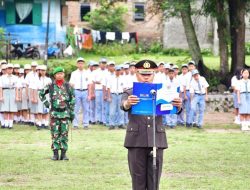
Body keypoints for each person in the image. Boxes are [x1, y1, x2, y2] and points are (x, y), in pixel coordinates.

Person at [120, 60, 182, 190]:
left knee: (154, 182)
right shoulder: (130, 92)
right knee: (138, 181)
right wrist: (128, 103)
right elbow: (123, 105)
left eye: (149, 74)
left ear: (154, 74)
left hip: (156, 139)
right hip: (136, 140)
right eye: (143, 74)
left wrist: (178, 106)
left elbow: (175, 109)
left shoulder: (163, 91)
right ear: (136, 73)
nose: (146, 77)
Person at [39, 67, 75, 161]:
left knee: (64, 134)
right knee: (55, 134)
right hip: (54, 113)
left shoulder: (68, 86)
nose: (60, 75)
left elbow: (73, 98)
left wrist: (71, 111)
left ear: (64, 75)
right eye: (57, 74)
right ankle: (55, 154)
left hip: (65, 114)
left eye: (61, 73)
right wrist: (47, 104)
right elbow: (41, 94)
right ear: (55, 75)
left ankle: (63, 154)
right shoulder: (50, 86)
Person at [69, 57, 92, 129]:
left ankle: (86, 124)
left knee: (86, 108)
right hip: (77, 91)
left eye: (82, 63)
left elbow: (90, 84)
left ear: (84, 64)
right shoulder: (74, 73)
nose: (80, 65)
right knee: (76, 108)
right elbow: (71, 83)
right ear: (77, 64)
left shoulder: (87, 73)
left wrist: (89, 94)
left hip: (85, 91)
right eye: (79, 63)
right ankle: (75, 124)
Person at [0, 64, 19, 129]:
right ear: (6, 69)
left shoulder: (15, 77)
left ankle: (10, 124)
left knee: (12, 109)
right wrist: (1, 96)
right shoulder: (2, 77)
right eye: (8, 68)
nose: (10, 70)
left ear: (12, 69)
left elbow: (16, 88)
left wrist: (17, 96)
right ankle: (5, 124)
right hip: (5, 92)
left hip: (12, 92)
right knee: (5, 109)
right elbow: (1, 88)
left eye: (11, 68)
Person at [107, 65, 125, 130]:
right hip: (113, 95)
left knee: (121, 110)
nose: (118, 72)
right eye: (117, 70)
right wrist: (109, 96)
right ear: (115, 71)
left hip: (121, 95)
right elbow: (108, 88)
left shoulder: (123, 78)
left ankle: (121, 123)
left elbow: (124, 88)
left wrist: (124, 97)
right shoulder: (111, 78)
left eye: (119, 70)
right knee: (112, 111)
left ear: (120, 71)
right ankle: (112, 124)